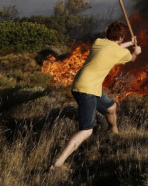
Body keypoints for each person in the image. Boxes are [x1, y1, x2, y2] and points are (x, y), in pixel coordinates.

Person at [50, 20, 142, 169]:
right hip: (87, 90)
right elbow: (131, 58)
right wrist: (135, 51)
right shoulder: (120, 52)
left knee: (111, 107)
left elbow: (113, 47)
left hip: (84, 85)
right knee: (86, 131)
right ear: (120, 38)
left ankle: (114, 133)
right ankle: (57, 163)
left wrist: (130, 44)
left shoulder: (99, 42)